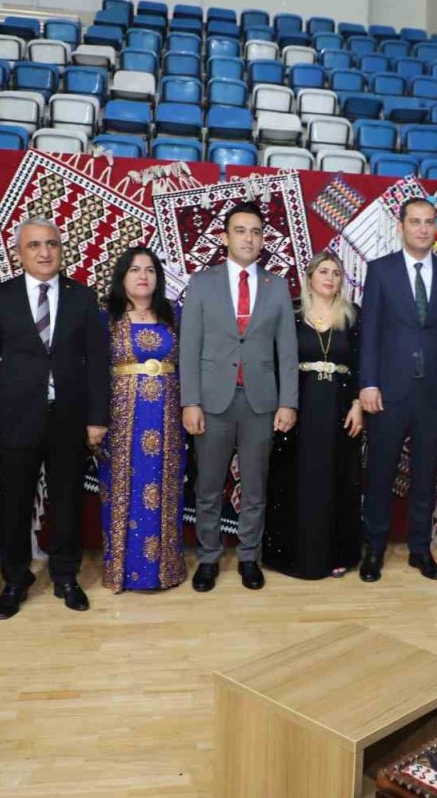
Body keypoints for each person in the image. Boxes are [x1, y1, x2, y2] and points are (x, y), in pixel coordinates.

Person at [0, 218, 109, 619]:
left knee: (67, 501)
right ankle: (15, 580)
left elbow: (97, 363)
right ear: (20, 252)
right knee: (15, 503)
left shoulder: (82, 297)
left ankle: (66, 576)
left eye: (51, 243)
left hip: (68, 417)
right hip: (15, 420)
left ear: (61, 248)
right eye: (34, 245)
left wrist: (97, 418)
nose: (44, 252)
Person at [180, 202, 298, 593]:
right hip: (213, 402)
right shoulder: (201, 283)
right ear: (225, 237)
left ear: (263, 240)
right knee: (208, 487)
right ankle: (209, 558)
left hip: (261, 403)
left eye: (256, 232)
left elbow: (288, 350)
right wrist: (190, 402)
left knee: (255, 487)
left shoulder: (276, 286)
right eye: (241, 230)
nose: (249, 238)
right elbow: (189, 346)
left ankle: (249, 557)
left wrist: (288, 402)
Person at [359, 197, 437, 582]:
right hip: (388, 391)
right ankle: (373, 549)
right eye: (415, 222)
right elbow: (368, 331)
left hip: (434, 393)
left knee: (425, 474)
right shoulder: (381, 271)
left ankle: (420, 550)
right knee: (380, 473)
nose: (423, 229)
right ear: (401, 226)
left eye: (429, 223)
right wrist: (368, 383)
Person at [263, 251, 364, 580]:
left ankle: (336, 554)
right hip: (299, 406)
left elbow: (362, 363)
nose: (330, 278)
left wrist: (358, 404)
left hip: (339, 407)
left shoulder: (352, 315)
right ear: (309, 277)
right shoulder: (292, 314)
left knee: (337, 479)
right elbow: (277, 360)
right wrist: (282, 403)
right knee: (296, 478)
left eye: (336, 273)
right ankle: (292, 557)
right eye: (324, 271)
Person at [99, 247, 186, 593]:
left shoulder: (173, 315)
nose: (143, 276)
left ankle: (165, 570)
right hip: (121, 418)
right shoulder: (106, 317)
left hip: (168, 415)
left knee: (165, 487)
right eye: (135, 269)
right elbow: (91, 369)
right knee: (123, 489)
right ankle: (122, 571)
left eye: (150, 269)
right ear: (122, 276)